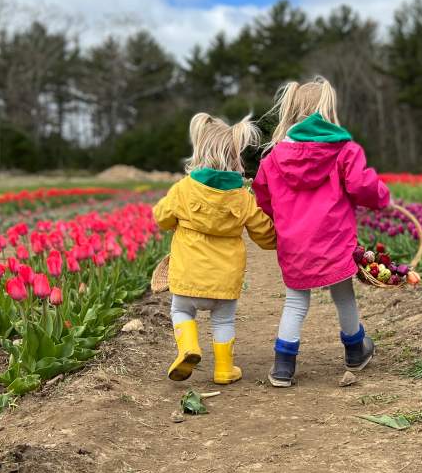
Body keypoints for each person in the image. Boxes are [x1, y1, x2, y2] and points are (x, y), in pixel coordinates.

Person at [253, 76, 390, 387]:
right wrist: (382, 197)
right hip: (334, 241)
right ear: (327, 110)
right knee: (343, 295)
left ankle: (283, 365)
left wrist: (282, 218)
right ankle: (355, 351)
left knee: (295, 301)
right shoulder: (344, 150)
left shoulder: (274, 157)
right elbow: (360, 185)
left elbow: (263, 196)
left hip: (294, 244)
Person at [153, 113, 276, 385]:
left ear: (200, 150)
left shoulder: (183, 190)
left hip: (187, 277)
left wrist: (177, 220)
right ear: (235, 156)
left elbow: (161, 218)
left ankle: (188, 347)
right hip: (225, 281)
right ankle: (223, 370)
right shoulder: (243, 198)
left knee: (181, 312)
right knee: (223, 322)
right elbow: (266, 236)